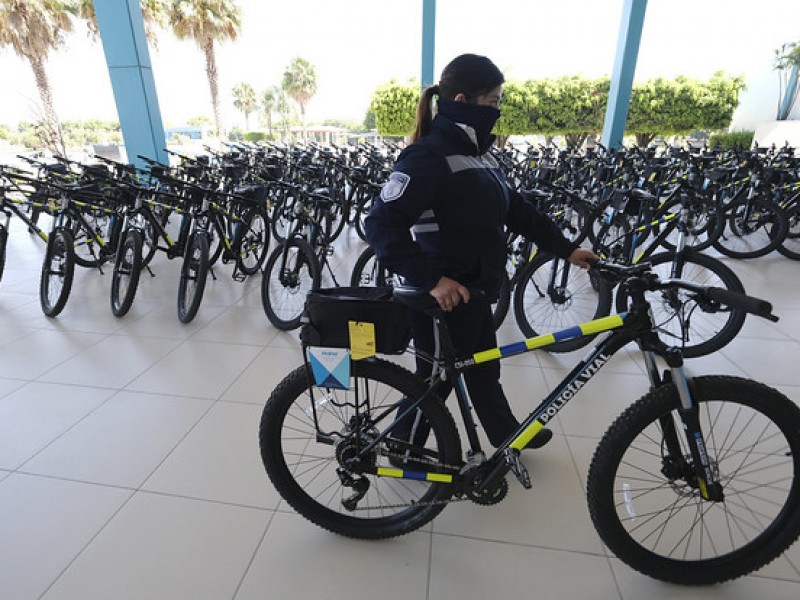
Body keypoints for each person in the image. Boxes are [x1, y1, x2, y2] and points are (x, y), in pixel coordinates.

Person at [364, 53, 598, 452]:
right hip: (442, 297)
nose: (498, 110)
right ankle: (401, 447)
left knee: (484, 367)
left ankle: (506, 433)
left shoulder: (481, 155)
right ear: (462, 100)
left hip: (475, 290)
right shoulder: (427, 156)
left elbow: (516, 210)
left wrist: (566, 249)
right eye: (492, 102)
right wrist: (431, 280)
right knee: (433, 382)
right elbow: (380, 223)